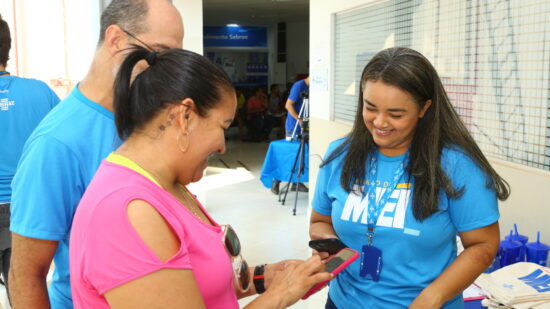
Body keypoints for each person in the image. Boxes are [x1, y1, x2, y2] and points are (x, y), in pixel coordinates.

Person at [69, 46, 332, 309]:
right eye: (223, 127)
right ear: (185, 116)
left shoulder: (167, 185)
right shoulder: (127, 212)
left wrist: (265, 277)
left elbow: (197, 285)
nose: (222, 147)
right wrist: (279, 296)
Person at [8, 1, 184, 308]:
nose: (167, 71)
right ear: (116, 39)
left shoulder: (148, 117)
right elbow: (26, 275)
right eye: (158, 54)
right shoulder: (57, 144)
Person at [310, 47, 511, 309]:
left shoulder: (457, 166)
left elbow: (483, 245)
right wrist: (331, 246)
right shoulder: (340, 155)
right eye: (370, 108)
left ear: (424, 107)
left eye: (395, 114)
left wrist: (433, 297)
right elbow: (319, 220)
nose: (380, 122)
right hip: (343, 302)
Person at [0, 14, 60, 298]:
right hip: (27, 208)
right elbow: (62, 146)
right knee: (23, 291)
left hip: (25, 208)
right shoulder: (41, 92)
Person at [271, 78, 310, 194]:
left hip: (305, 125)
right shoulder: (299, 86)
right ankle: (276, 181)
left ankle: (296, 183)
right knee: (291, 154)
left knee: (301, 155)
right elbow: (288, 105)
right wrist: (299, 120)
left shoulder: (313, 88)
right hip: (293, 127)